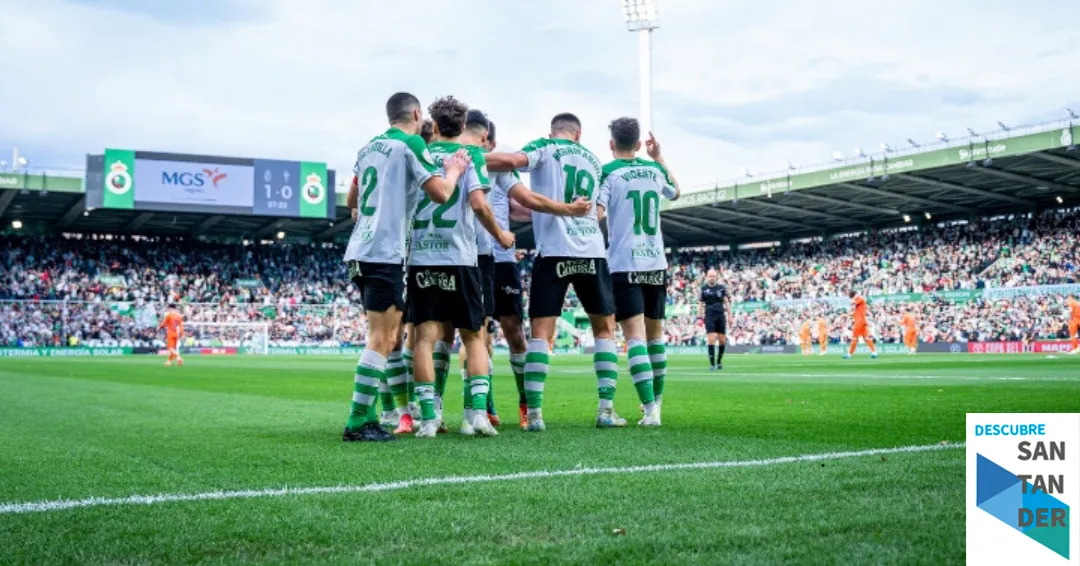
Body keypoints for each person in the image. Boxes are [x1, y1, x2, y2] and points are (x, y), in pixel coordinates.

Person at [341, 92, 469, 443]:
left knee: (389, 336)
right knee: (383, 338)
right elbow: (441, 193)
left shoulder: (368, 148)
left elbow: (352, 201)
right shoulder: (411, 143)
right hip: (384, 252)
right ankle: (356, 422)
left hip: (359, 249)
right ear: (416, 113)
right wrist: (454, 171)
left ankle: (370, 415)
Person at [485, 112, 621, 431]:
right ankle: (605, 410)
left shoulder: (545, 147)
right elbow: (597, 210)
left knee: (542, 336)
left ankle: (533, 415)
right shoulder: (593, 159)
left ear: (552, 131)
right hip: (591, 250)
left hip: (554, 250)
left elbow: (511, 161)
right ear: (579, 133)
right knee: (604, 331)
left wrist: (468, 153)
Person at [408, 95, 514, 439]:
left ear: (434, 126)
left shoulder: (418, 154)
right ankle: (477, 417)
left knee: (424, 339)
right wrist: (500, 234)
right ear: (463, 124)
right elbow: (478, 203)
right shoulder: (472, 157)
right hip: (462, 258)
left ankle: (428, 417)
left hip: (423, 257)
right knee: (474, 337)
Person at [596, 118, 680, 427]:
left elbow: (597, 213)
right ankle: (655, 405)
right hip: (656, 263)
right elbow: (676, 192)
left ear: (611, 144)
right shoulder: (654, 170)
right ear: (638, 143)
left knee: (634, 339)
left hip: (625, 263)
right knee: (656, 338)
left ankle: (650, 411)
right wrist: (658, 157)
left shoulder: (608, 173)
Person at [698, 269, 730, 370]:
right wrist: (699, 315)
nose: (712, 277)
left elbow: (726, 302)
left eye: (713, 276)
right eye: (710, 276)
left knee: (722, 341)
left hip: (720, 315)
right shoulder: (703, 289)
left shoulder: (722, 288)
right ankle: (712, 364)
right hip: (709, 316)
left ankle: (719, 361)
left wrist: (730, 315)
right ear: (707, 277)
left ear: (716, 277)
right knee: (711, 339)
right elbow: (700, 303)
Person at [843, 291, 878, 359]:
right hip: (862, 321)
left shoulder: (860, 298)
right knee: (866, 338)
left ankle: (849, 354)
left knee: (854, 338)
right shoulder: (858, 302)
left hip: (859, 321)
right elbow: (855, 311)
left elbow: (852, 303)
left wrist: (854, 298)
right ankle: (874, 352)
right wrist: (846, 315)